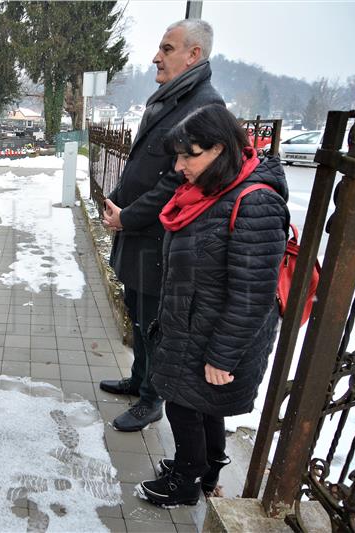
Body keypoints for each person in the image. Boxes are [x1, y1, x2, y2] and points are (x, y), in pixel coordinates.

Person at [135, 104, 288, 506]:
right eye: (179, 155)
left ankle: (186, 482)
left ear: (220, 150)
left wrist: (222, 356)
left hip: (217, 335)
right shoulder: (208, 191)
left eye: (190, 154)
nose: (180, 165)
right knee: (201, 407)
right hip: (192, 324)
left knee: (185, 408)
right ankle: (205, 467)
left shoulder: (256, 202)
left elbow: (252, 294)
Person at [100, 19, 225, 432]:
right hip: (142, 234)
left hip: (163, 239)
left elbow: (175, 182)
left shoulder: (203, 106)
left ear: (194, 55)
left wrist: (127, 215)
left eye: (167, 49)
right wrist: (118, 198)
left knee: (153, 323)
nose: (156, 56)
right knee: (137, 313)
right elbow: (142, 163)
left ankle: (151, 400)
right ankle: (139, 380)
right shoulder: (171, 98)